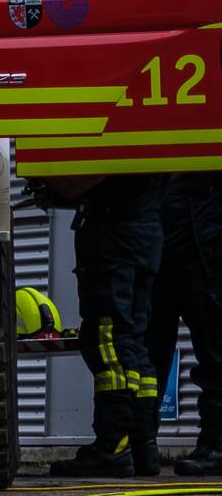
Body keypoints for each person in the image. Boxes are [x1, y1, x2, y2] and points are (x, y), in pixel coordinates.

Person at [51, 176, 167, 477]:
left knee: (107, 341)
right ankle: (143, 447)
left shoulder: (115, 135)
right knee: (133, 342)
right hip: (145, 234)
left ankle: (113, 447)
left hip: (113, 238)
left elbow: (71, 185)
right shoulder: (159, 134)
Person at [146, 174, 222, 475]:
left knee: (216, 351)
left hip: (204, 234)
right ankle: (141, 445)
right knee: (147, 354)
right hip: (163, 231)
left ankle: (216, 445)